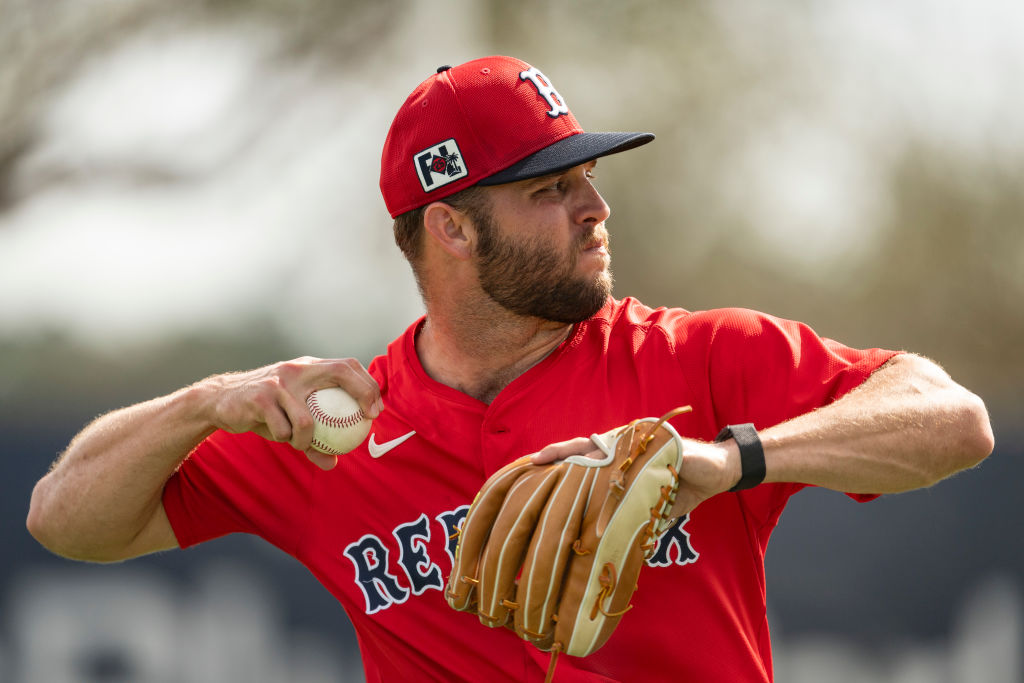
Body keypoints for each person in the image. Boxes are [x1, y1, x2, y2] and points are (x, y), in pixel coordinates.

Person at [28, 56, 994, 682]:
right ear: (449, 226)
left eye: (587, 178)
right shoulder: (343, 430)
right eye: (550, 187)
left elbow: (952, 419)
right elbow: (66, 521)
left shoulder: (697, 360)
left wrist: (728, 460)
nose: (593, 207)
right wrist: (204, 403)